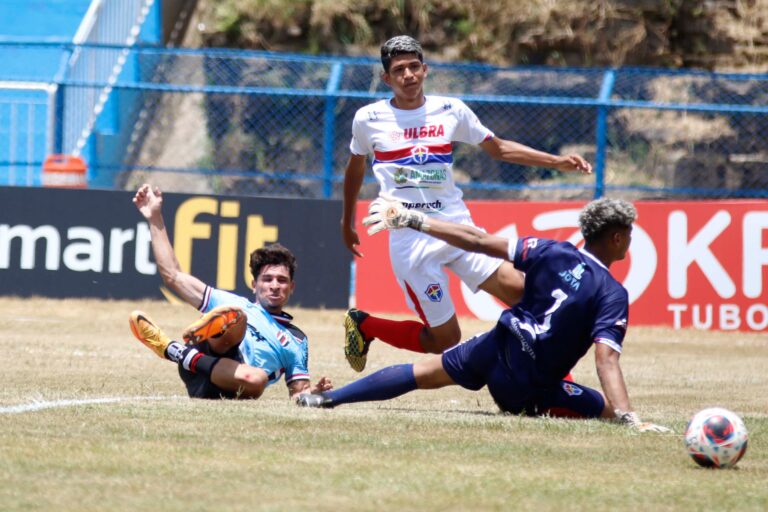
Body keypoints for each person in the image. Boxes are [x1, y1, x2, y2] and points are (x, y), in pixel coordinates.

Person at [299, 196, 671, 432]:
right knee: (605, 411)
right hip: (526, 385)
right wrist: (628, 417)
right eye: (629, 233)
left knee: (422, 373)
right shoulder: (612, 293)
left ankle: (328, 399)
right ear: (617, 237)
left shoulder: (551, 250)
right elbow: (606, 359)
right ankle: (623, 419)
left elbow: (478, 240)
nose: (631, 239)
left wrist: (414, 220)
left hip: (497, 345)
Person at [340, 35, 593, 372]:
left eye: (414, 66)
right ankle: (365, 325)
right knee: (444, 340)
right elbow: (355, 167)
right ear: (387, 78)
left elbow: (499, 148)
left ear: (426, 69)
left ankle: (555, 377)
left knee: (522, 292)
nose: (408, 75)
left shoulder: (451, 110)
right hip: (411, 240)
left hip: (458, 228)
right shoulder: (368, 118)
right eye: (399, 70)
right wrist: (347, 221)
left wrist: (556, 161)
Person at [129, 184, 332, 400]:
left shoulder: (297, 340)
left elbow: (298, 392)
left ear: (292, 287)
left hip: (234, 382)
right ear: (254, 285)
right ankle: (211, 334)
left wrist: (313, 393)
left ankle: (174, 350)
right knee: (237, 315)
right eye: (267, 279)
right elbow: (173, 276)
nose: (274, 285)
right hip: (206, 359)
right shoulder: (233, 302)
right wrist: (155, 218)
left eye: (282, 280)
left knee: (258, 378)